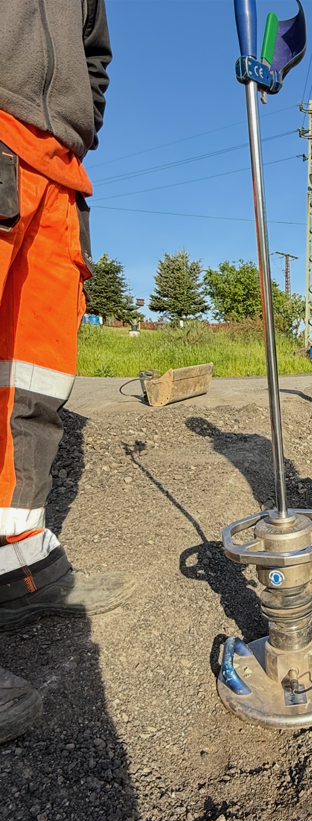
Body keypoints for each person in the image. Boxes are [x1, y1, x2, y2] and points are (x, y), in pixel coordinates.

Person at [0, 0, 134, 745]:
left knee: (34, 379)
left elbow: (93, 53)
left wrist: (76, 121)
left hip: (56, 165)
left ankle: (16, 561)